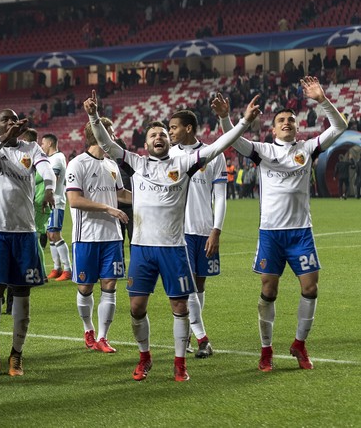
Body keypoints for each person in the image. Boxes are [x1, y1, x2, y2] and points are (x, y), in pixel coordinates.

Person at [84, 90, 259, 382]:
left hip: (173, 248)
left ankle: (180, 363)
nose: (159, 137)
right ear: (146, 142)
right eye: (153, 134)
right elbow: (106, 143)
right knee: (136, 308)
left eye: (163, 133)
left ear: (169, 139)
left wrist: (242, 122)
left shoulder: (185, 163)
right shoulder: (136, 164)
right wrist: (92, 115)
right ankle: (145, 357)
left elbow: (218, 146)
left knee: (179, 306)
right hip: (141, 248)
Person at [212, 76, 347, 372]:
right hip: (271, 233)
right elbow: (232, 139)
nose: (287, 122)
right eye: (281, 120)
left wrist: (322, 100)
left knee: (310, 288)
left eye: (291, 119)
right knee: (269, 291)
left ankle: (299, 344)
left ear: (297, 126)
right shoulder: (263, 151)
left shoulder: (308, 148)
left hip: (301, 232)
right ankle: (266, 349)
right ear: (273, 128)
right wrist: (226, 117)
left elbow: (340, 127)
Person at [0, 109, 55, 377]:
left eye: (14, 119)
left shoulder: (31, 147)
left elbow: (46, 168)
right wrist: (3, 136)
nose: (11, 123)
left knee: (22, 293)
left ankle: (17, 354)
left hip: (25, 230)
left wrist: (48, 187)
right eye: (5, 120)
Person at [66, 118, 131, 353]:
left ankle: (103, 337)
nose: (113, 136)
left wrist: (150, 198)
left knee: (110, 285)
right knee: (85, 288)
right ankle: (88, 328)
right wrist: (108, 208)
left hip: (112, 236)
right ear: (97, 134)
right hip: (86, 237)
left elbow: (121, 193)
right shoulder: (77, 164)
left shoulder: (112, 164)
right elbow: (74, 200)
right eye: (110, 132)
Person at [168, 109, 228, 359]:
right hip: (178, 231)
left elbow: (221, 196)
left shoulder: (214, 155)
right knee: (189, 287)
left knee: (199, 285)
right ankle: (203, 338)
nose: (170, 132)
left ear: (189, 128)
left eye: (173, 127)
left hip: (204, 230)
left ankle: (192, 332)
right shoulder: (169, 155)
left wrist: (216, 230)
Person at [40, 133, 71, 281]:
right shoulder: (50, 158)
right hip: (50, 201)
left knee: (55, 234)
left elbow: (55, 179)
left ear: (50, 143)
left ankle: (67, 269)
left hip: (56, 201)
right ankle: (57, 268)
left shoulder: (57, 158)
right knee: (50, 234)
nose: (42, 146)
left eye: (43, 143)